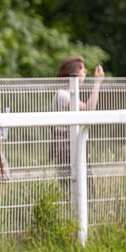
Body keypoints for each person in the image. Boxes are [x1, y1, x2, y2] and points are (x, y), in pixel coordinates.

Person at [50, 55, 104, 195]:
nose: (85, 73)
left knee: (86, 187)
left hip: (74, 146)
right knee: (72, 188)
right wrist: (97, 83)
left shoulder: (71, 93)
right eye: (82, 70)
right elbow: (87, 110)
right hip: (67, 148)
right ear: (73, 73)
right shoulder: (63, 94)